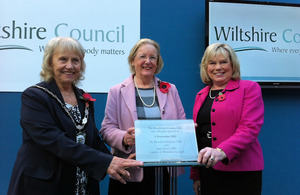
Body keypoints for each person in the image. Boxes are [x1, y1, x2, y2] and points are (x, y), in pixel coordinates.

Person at [7, 37, 143, 195]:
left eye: (75, 60)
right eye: (63, 59)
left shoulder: (83, 98)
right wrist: (106, 162)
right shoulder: (34, 96)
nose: (70, 66)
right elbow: (54, 140)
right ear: (50, 62)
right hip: (44, 186)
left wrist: (119, 161)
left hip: (81, 185)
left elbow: (92, 140)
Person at [100, 38, 186, 195]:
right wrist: (124, 138)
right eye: (142, 56)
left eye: (152, 57)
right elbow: (106, 129)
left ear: (157, 62)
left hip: (163, 170)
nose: (148, 61)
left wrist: (185, 131)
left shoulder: (171, 89)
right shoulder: (117, 91)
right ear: (133, 60)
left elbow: (181, 124)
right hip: (129, 170)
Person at [190, 43, 264, 195]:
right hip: (208, 171)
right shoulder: (201, 95)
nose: (218, 67)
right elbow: (197, 136)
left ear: (232, 64)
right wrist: (196, 175)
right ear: (206, 67)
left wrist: (221, 151)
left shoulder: (249, 88)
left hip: (241, 172)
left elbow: (249, 129)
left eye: (223, 62)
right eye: (212, 63)